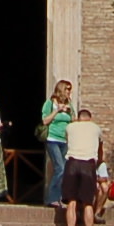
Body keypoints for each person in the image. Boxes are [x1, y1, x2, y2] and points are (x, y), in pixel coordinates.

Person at [60, 105, 104, 226]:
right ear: (90, 119)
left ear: (79, 118)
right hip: (88, 163)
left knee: (71, 201)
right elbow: (100, 148)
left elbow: (67, 142)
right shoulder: (96, 128)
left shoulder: (70, 127)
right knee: (87, 203)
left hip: (72, 162)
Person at [38, 79, 75, 207]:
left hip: (64, 140)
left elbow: (74, 121)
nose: (69, 92)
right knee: (60, 167)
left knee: (64, 170)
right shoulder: (50, 103)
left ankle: (60, 197)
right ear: (61, 89)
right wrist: (57, 111)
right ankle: (51, 198)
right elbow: (45, 121)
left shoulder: (69, 104)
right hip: (52, 139)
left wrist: (70, 111)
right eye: (67, 89)